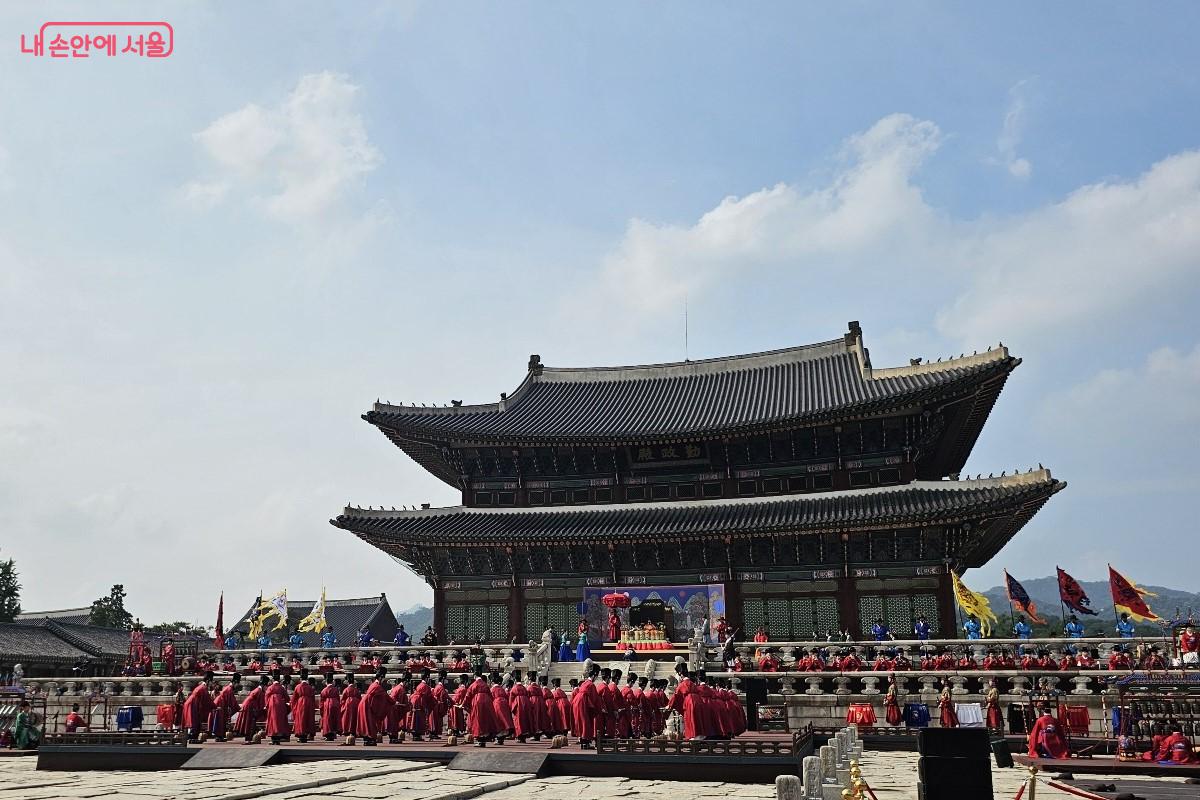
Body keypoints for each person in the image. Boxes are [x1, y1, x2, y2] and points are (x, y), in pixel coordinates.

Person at [571, 664, 603, 749]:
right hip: (583, 702)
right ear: (594, 675)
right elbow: (594, 698)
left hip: (578, 701)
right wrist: (599, 709)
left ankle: (583, 742)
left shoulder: (585, 683)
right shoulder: (591, 685)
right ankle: (585, 743)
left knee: (581, 722)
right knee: (585, 722)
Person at [182, 674, 215, 742]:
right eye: (211, 681)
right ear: (208, 681)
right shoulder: (203, 688)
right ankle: (193, 738)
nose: (212, 683)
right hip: (192, 704)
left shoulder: (202, 687)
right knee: (194, 721)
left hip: (193, 703)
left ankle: (193, 737)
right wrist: (215, 706)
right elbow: (207, 700)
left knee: (195, 721)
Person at [233, 677, 266, 743]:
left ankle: (249, 737)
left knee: (249, 722)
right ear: (263, 685)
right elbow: (261, 703)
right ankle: (249, 738)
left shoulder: (258, 690)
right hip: (250, 706)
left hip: (249, 705)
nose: (266, 688)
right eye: (266, 686)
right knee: (249, 722)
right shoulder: (259, 691)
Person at [291, 671, 317, 742]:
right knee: (308, 719)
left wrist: (294, 706)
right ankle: (307, 734)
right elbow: (313, 698)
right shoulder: (310, 687)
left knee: (301, 719)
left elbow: (294, 698)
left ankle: (301, 734)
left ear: (300, 679)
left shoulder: (298, 687)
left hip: (300, 703)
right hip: (309, 703)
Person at [264, 674, 290, 745]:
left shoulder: (270, 687)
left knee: (272, 720)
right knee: (280, 721)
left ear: (273, 679)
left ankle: (273, 738)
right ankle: (278, 738)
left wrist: (266, 705)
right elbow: (287, 697)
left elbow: (266, 696)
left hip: (272, 704)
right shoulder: (282, 688)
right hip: (281, 705)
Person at [338, 675, 360, 741]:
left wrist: (342, 705)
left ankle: (347, 729)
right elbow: (359, 697)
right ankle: (354, 730)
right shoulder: (356, 690)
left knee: (347, 717)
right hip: (356, 704)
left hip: (348, 703)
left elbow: (343, 698)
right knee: (354, 717)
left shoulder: (346, 689)